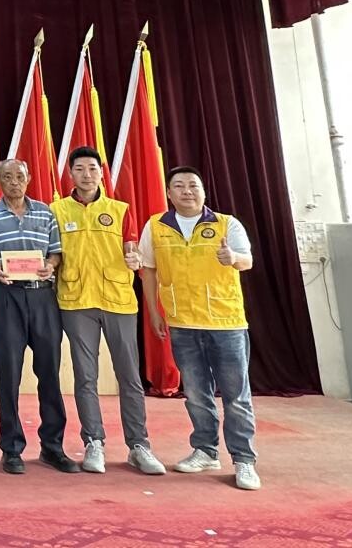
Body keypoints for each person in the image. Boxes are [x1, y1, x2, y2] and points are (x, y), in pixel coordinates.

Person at [139, 166, 260, 491]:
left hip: (225, 322)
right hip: (182, 323)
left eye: (193, 185)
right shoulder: (156, 227)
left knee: (236, 396)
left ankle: (244, 460)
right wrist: (154, 312)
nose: (187, 191)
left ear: (203, 191)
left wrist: (232, 257)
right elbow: (148, 270)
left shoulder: (226, 223)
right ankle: (205, 450)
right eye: (178, 186)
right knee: (195, 393)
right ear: (169, 193)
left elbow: (247, 261)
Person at [51, 146, 166, 476]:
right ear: (70, 174)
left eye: (92, 168)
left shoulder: (120, 210)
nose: (87, 175)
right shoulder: (57, 210)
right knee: (85, 376)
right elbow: (53, 253)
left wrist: (135, 260)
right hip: (76, 302)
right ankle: (93, 442)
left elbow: (135, 251)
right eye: (80, 169)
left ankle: (139, 445)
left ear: (101, 173)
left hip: (118, 301)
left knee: (129, 375)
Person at [0, 159, 78, 475]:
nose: (14, 181)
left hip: (43, 297)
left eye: (19, 176)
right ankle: (11, 448)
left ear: (29, 178)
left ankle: (53, 447)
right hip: (7, 297)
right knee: (8, 374)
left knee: (50, 372)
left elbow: (56, 252)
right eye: (7, 177)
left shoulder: (46, 212)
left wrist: (51, 265)